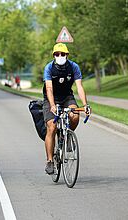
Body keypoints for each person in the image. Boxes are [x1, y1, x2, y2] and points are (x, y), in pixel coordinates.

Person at [42, 43, 91, 175]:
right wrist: (52, 105)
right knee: (52, 127)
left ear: (67, 55)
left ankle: (68, 136)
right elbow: (49, 88)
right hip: (51, 98)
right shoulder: (49, 68)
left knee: (75, 115)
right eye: (57, 54)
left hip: (67, 97)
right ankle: (50, 161)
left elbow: (79, 86)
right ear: (54, 55)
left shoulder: (73, 67)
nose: (60, 56)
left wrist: (85, 104)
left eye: (62, 54)